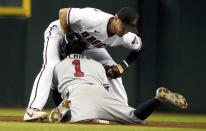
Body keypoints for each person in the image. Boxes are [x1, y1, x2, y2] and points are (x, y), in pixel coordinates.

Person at [24, 7, 143, 121]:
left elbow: (139, 48)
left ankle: (124, 111)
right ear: (116, 18)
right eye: (124, 26)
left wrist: (123, 65)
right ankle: (32, 110)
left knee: (112, 68)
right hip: (59, 32)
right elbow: (63, 13)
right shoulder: (95, 18)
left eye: (129, 28)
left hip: (87, 44)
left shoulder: (126, 36)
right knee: (51, 66)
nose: (126, 31)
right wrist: (67, 36)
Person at [48, 32, 188, 124]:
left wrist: (69, 105)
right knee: (135, 117)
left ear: (63, 49)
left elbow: (55, 95)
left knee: (68, 119)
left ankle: (66, 111)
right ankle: (158, 99)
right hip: (99, 91)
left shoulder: (58, 67)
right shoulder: (96, 65)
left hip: (76, 93)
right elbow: (107, 90)